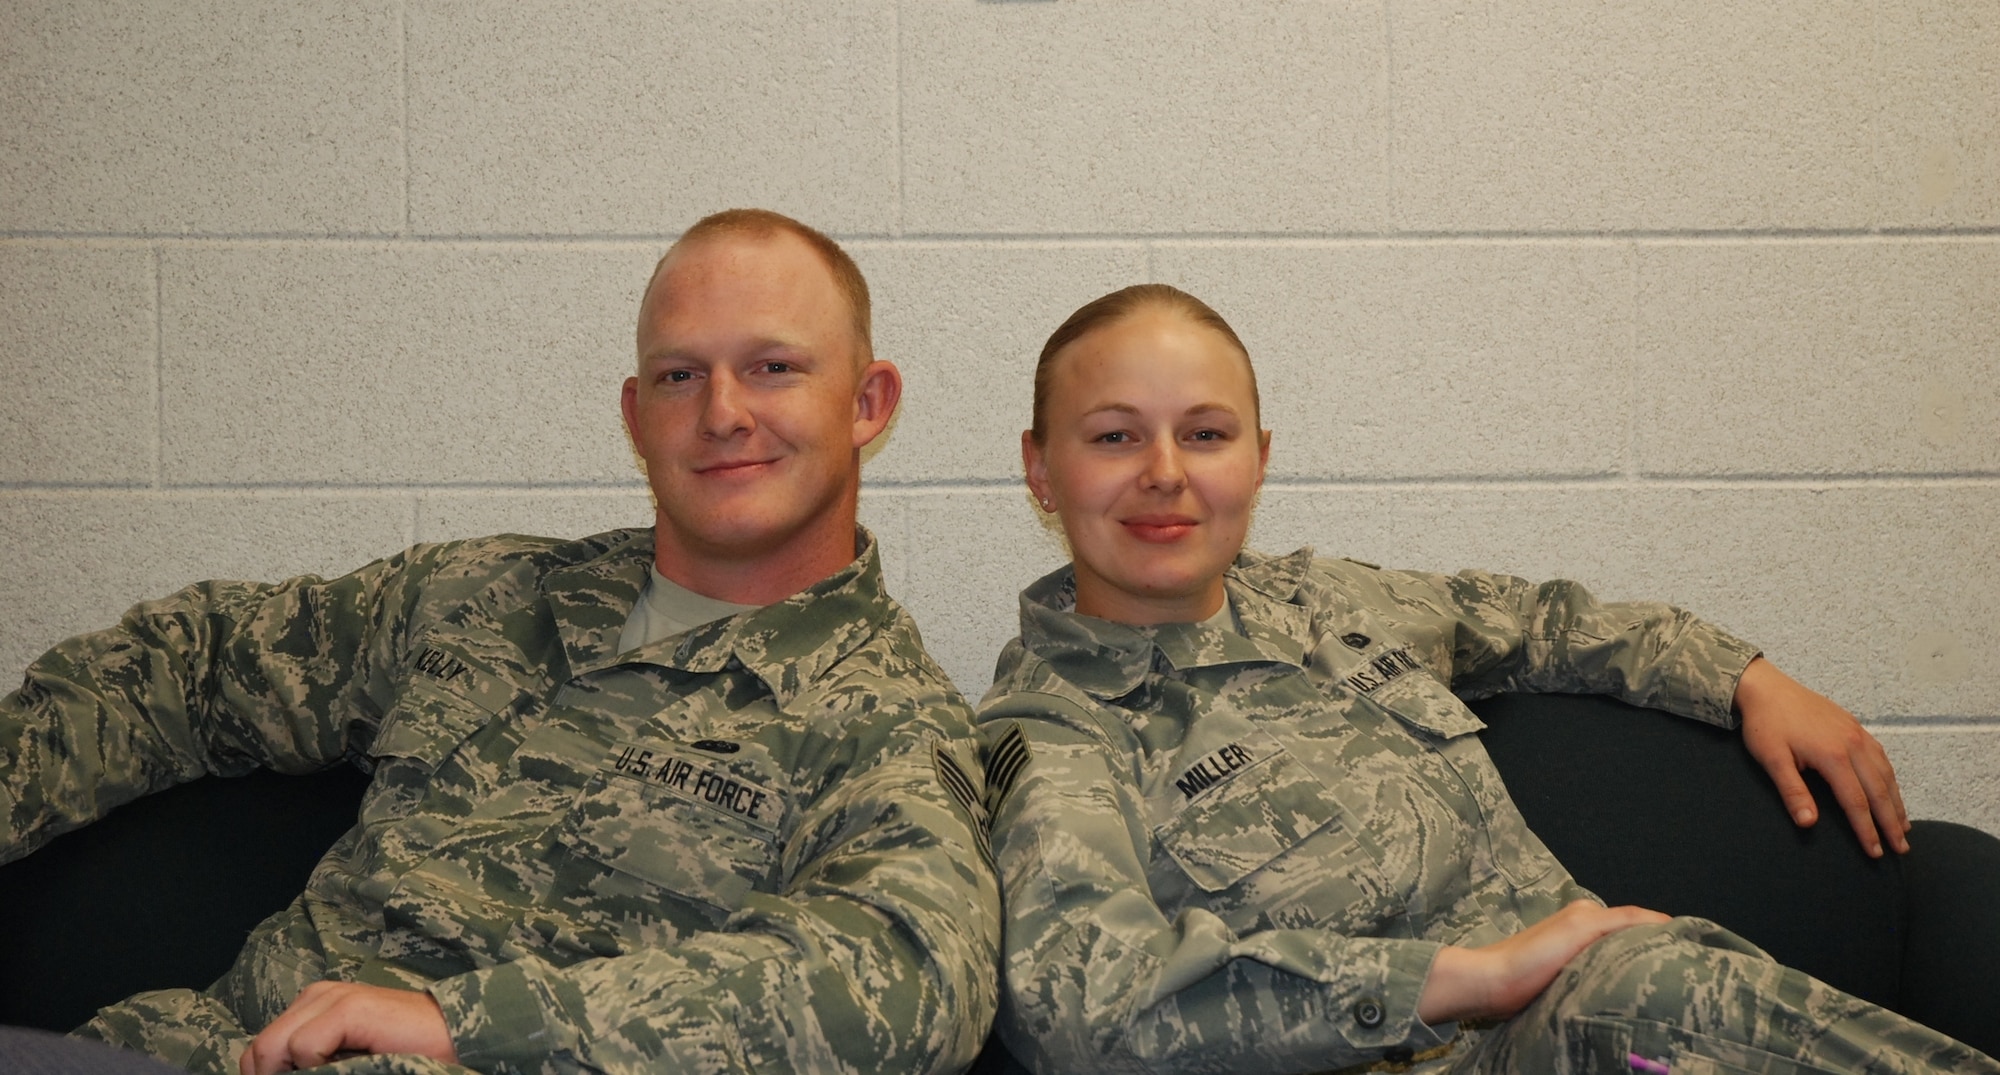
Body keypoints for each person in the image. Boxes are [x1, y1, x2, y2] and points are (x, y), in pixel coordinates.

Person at [0, 209, 999, 1075]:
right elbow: (188, 664)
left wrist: (465, 1025)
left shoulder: (889, 721)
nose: (722, 413)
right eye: (679, 375)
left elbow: (904, 981)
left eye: (772, 368)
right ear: (634, 415)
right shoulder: (487, 595)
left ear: (866, 403)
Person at [977, 283, 1995, 1073]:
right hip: (1479, 1033)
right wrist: (1472, 978)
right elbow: (1090, 1010)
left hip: (1594, 1027)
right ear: (1039, 468)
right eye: (1113, 436)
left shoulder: (1326, 605)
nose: (1164, 470)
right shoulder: (1055, 730)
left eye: (1204, 433)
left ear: (1257, 458)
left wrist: (1745, 679)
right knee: (1638, 986)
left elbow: (1547, 623)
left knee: (1648, 987)